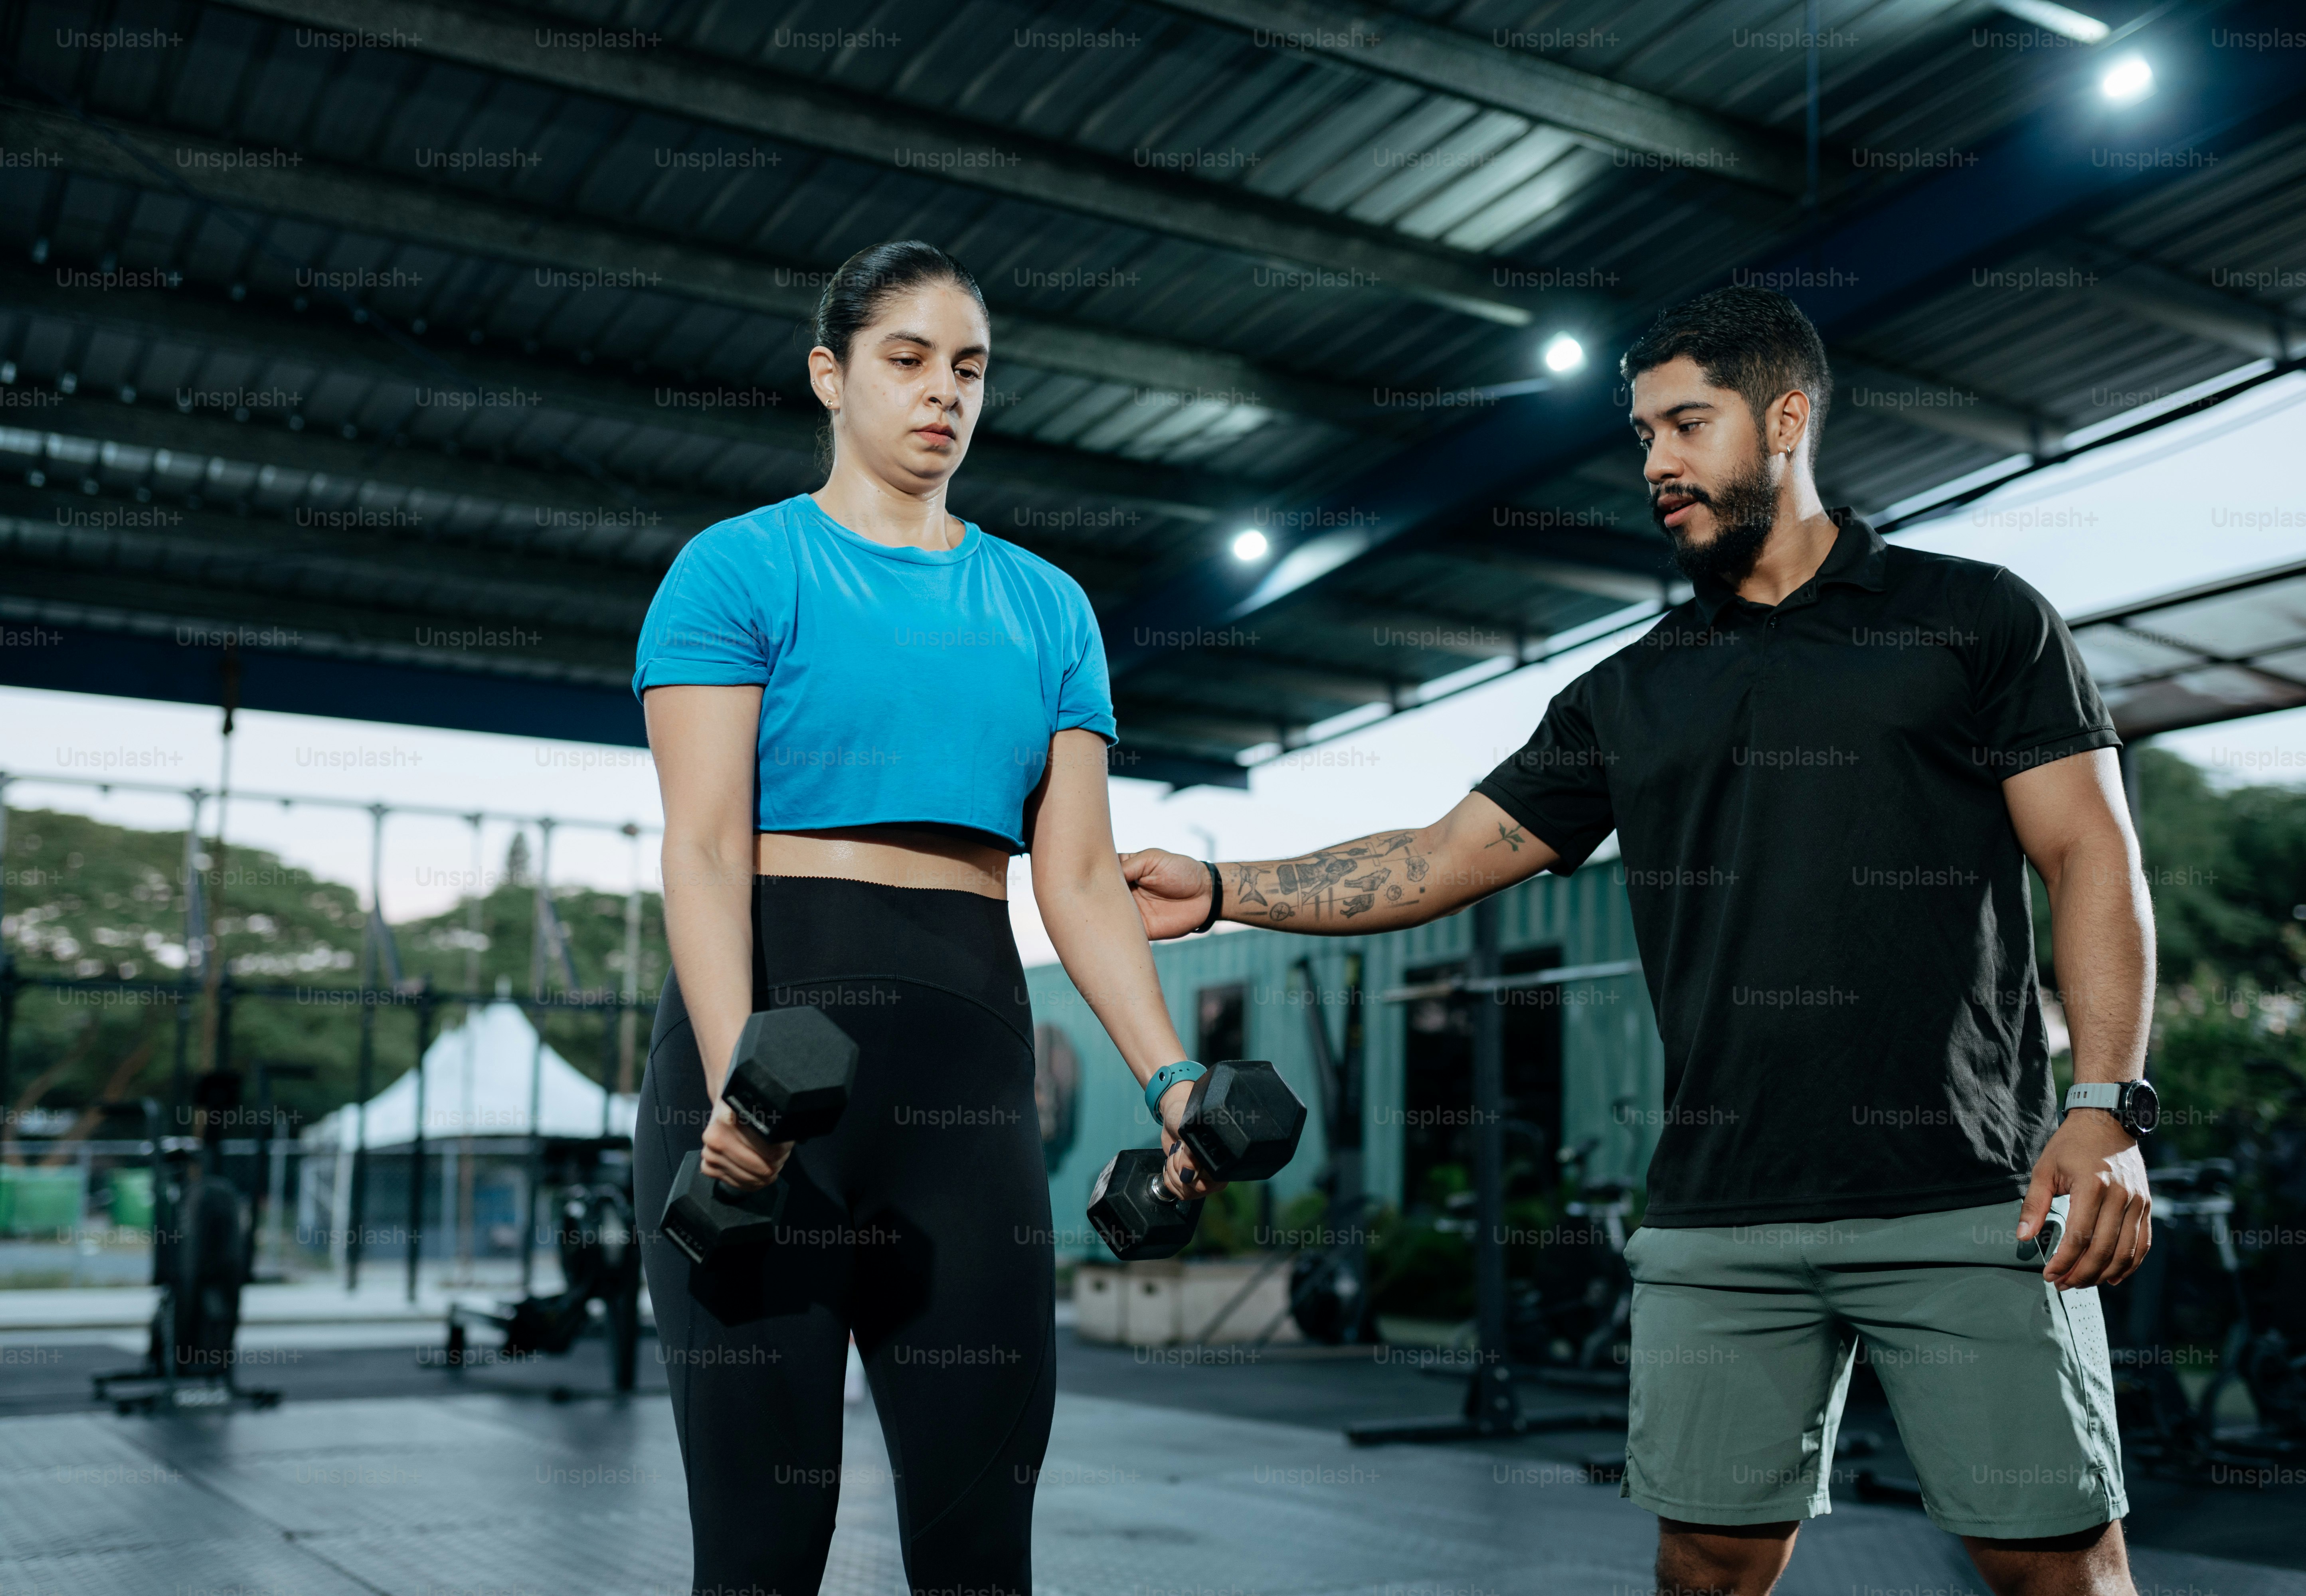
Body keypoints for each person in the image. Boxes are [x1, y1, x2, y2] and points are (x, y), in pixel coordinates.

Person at [1121, 286, 2157, 1596]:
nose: (1656, 463)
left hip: (1967, 1197)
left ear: (1786, 418)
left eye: (1687, 424)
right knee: (1704, 1568)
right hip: (1722, 1214)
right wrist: (1219, 887)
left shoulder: (1976, 620)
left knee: (2059, 1573)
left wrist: (2106, 1106)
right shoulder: (1628, 691)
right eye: (1643, 435)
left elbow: (2091, 855)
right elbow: (1440, 858)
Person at [631, 240, 1214, 1596]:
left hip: (966, 1097)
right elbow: (704, 847)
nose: (945, 390)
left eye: (970, 368)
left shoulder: (1048, 608)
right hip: (763, 1080)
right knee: (762, 1553)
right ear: (830, 375)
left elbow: (1080, 879)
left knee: (979, 1554)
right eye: (908, 359)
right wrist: (738, 1083)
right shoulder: (737, 571)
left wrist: (1173, 1082)